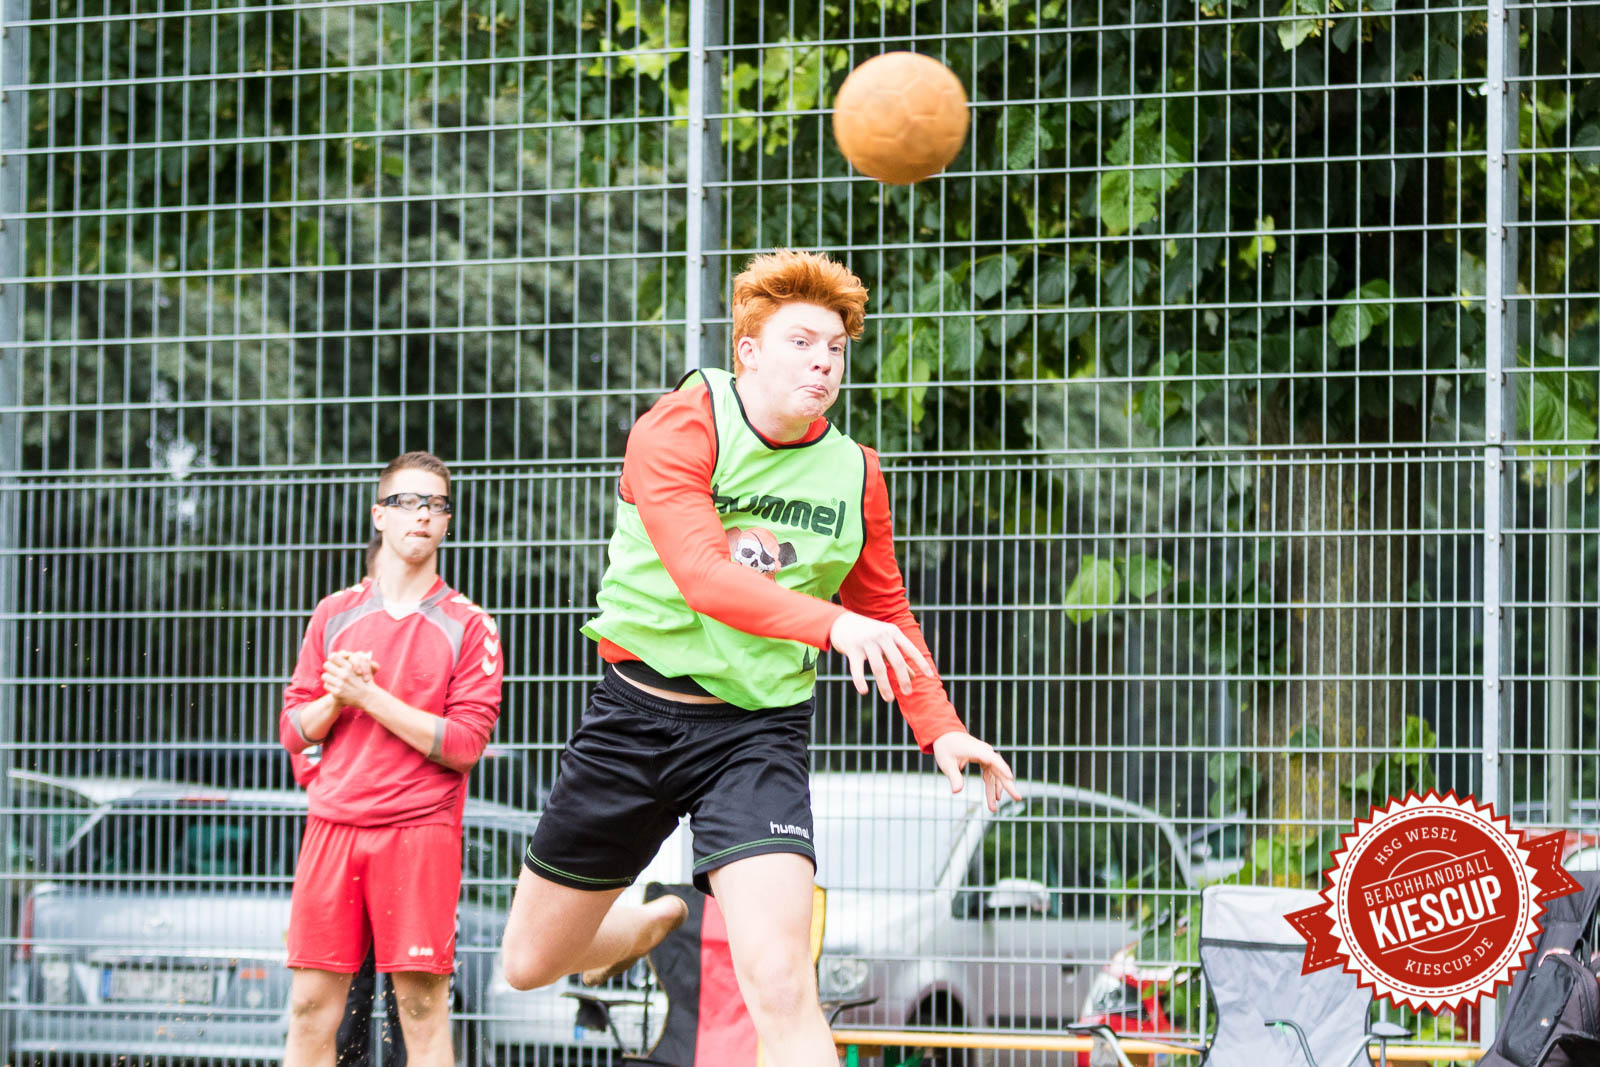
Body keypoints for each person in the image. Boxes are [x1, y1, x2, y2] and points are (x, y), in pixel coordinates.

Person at [499, 250, 1020, 1067]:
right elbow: (706, 577)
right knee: (528, 963)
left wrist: (940, 726)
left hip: (756, 736)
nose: (824, 360)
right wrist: (832, 626)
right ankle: (643, 920)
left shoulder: (854, 473)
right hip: (636, 716)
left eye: (838, 348)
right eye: (803, 341)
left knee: (779, 980)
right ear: (747, 351)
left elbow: (884, 610)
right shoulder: (682, 422)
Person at [280, 452, 504, 1067]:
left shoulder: (471, 625)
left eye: (436, 505)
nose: (423, 515)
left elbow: (464, 746)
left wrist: (370, 697)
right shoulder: (334, 614)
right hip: (333, 829)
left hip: (418, 833)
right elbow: (294, 731)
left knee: (423, 1013)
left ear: (447, 524)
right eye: (407, 502)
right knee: (308, 1012)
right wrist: (337, 697)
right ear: (379, 515)